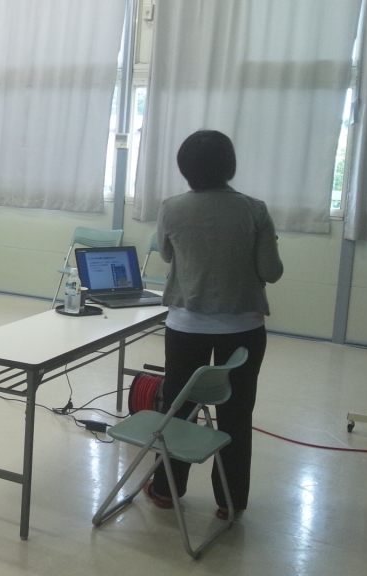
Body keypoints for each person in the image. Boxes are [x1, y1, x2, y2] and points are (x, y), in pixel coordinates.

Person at [144, 130, 283, 521]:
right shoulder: (254, 209)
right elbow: (271, 272)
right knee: (236, 413)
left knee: (178, 408)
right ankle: (230, 501)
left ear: (184, 169)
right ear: (229, 166)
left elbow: (167, 256)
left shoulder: (171, 208)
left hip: (185, 326)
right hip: (243, 329)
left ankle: (166, 490)